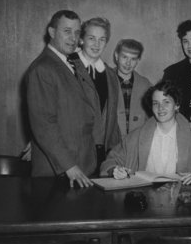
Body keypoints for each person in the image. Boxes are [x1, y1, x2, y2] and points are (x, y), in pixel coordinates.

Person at [100, 80, 191, 185]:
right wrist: (115, 171)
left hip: (181, 200)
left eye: (166, 102)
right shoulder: (135, 137)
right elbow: (109, 162)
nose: (160, 108)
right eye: (155, 103)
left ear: (177, 105)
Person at [26, 10, 96, 188]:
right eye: (67, 31)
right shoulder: (43, 68)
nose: (73, 38)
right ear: (51, 32)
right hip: (59, 172)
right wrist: (70, 166)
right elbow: (44, 124)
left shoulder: (69, 62)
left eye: (77, 32)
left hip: (79, 166)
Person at [68, 17, 121, 173]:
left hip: (102, 155)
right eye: (91, 38)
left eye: (102, 39)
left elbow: (111, 119)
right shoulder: (68, 66)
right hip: (74, 154)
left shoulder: (110, 75)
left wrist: (115, 155)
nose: (97, 44)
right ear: (81, 40)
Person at [114, 39, 152, 139]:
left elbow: (151, 118)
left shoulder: (145, 85)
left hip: (136, 144)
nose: (128, 63)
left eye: (133, 59)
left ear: (138, 60)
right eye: (124, 57)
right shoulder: (106, 80)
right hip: (111, 145)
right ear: (116, 56)